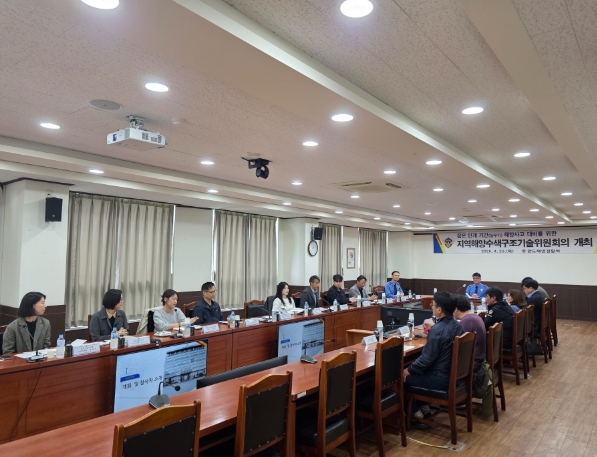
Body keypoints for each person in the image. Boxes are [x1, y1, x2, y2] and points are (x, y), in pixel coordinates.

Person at [404, 292, 463, 422]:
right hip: (453, 377)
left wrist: (407, 370)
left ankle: (416, 416)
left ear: (439, 310)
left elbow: (426, 360)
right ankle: (424, 409)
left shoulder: (437, 330)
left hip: (440, 379)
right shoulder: (458, 326)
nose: (432, 307)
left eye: (433, 305)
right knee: (416, 372)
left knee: (401, 379)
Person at [454, 294, 492, 417]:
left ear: (456, 309)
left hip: (472, 366)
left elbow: (458, 348)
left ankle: (454, 398)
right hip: (479, 361)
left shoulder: (466, 322)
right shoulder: (475, 317)